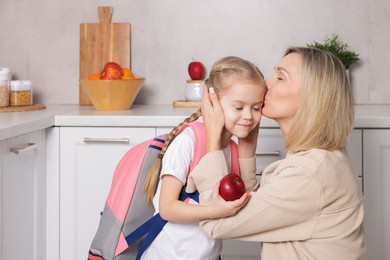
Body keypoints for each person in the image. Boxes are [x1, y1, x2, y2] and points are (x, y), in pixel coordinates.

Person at [186, 47, 366, 259]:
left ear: (312, 96)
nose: (266, 83)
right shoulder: (320, 159)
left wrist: (213, 138)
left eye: (280, 77)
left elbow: (217, 222)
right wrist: (247, 147)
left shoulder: (310, 174)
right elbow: (261, 205)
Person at [141, 56, 266, 259]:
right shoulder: (189, 141)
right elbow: (167, 208)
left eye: (256, 107)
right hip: (168, 254)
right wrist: (213, 210)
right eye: (238, 107)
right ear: (212, 100)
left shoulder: (232, 149)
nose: (249, 116)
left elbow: (249, 204)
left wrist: (248, 146)